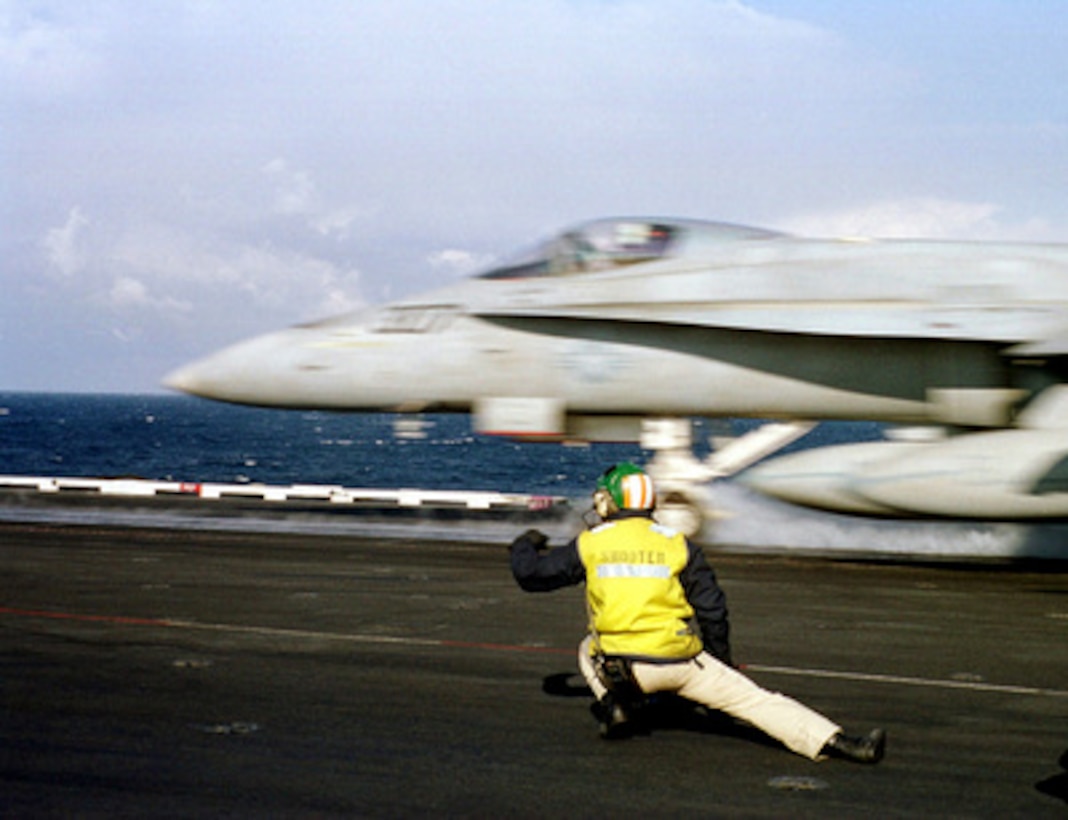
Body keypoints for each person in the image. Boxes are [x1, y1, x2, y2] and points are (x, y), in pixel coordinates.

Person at [509, 461, 886, 764]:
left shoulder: (591, 543)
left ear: (609, 502)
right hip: (680, 663)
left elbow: (532, 576)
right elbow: (713, 609)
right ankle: (844, 743)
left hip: (624, 668)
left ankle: (615, 705)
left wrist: (524, 544)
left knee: (587, 646)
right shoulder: (678, 544)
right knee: (757, 702)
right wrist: (721, 663)